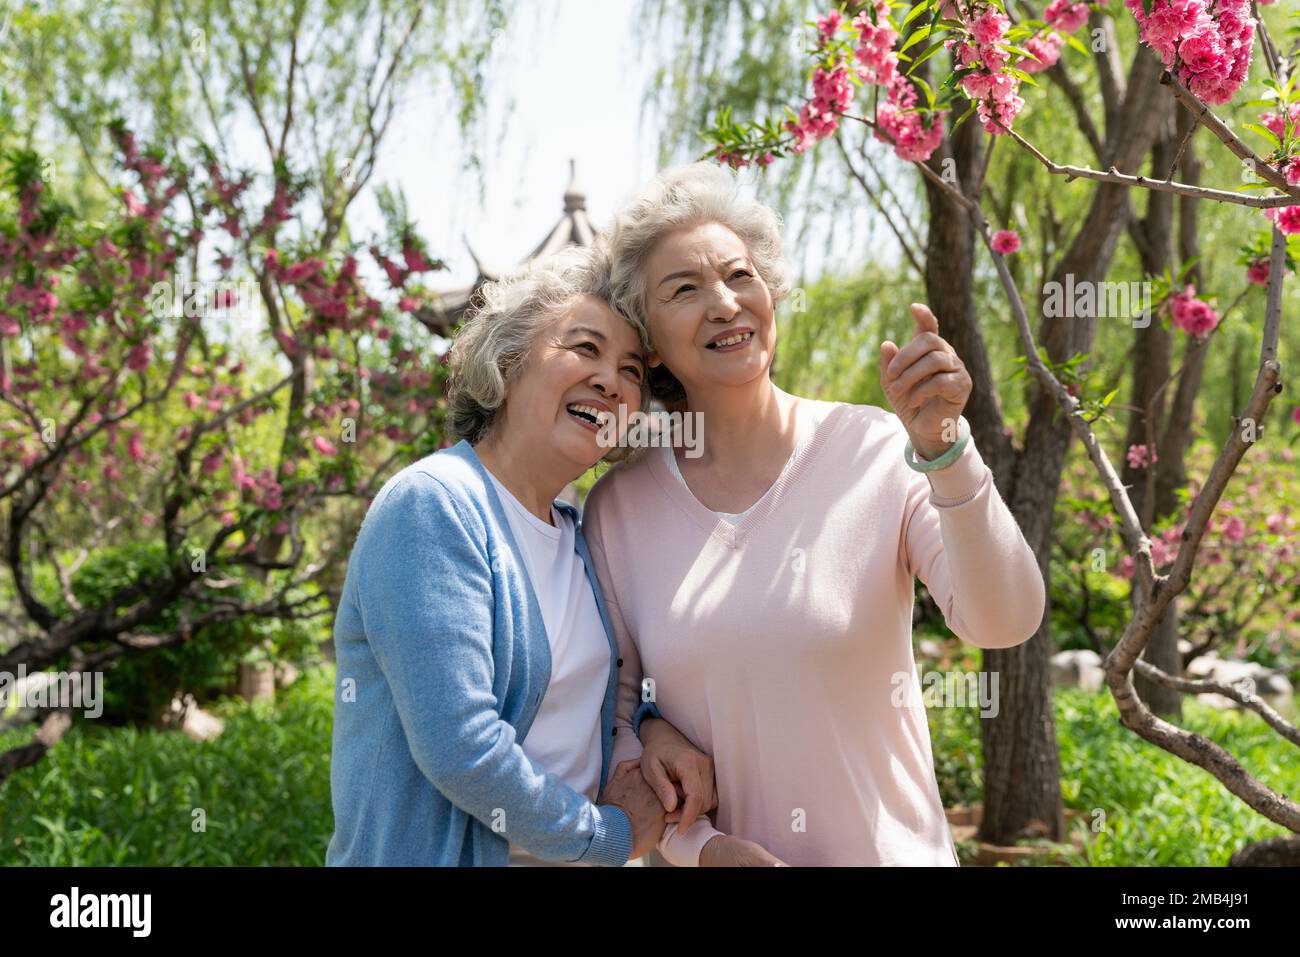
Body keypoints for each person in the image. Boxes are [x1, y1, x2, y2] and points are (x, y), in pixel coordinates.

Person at [582, 163, 1047, 866]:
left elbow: (1005, 619)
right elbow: (611, 721)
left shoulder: (876, 448)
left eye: (740, 276)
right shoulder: (620, 506)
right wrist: (703, 849)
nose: (724, 303)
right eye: (684, 289)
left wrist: (946, 449)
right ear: (647, 341)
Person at [325, 246, 713, 866]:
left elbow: (594, 694)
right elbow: (462, 746)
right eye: (585, 348)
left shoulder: (578, 533)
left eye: (632, 370)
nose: (611, 380)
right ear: (508, 361)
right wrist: (606, 839)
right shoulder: (434, 506)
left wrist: (649, 725)